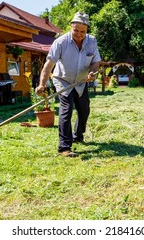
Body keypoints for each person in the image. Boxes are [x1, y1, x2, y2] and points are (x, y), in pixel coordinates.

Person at [35, 12, 101, 157]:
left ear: (87, 30)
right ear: (71, 27)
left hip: (82, 81)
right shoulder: (60, 42)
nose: (79, 34)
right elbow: (48, 65)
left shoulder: (92, 41)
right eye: (76, 30)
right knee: (67, 108)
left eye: (82, 31)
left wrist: (92, 73)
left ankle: (78, 135)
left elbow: (96, 62)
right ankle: (64, 147)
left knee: (84, 110)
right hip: (63, 80)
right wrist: (42, 84)